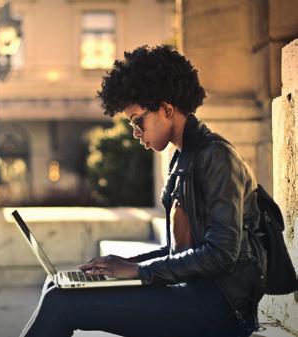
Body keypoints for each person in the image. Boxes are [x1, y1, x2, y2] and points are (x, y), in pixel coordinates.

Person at [20, 45, 266, 337]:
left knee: (61, 303)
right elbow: (179, 252)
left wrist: (138, 272)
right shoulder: (182, 157)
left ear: (166, 108)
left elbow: (222, 254)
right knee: (57, 285)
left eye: (138, 121)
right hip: (194, 293)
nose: (136, 133)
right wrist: (121, 265)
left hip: (220, 308)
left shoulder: (216, 156)